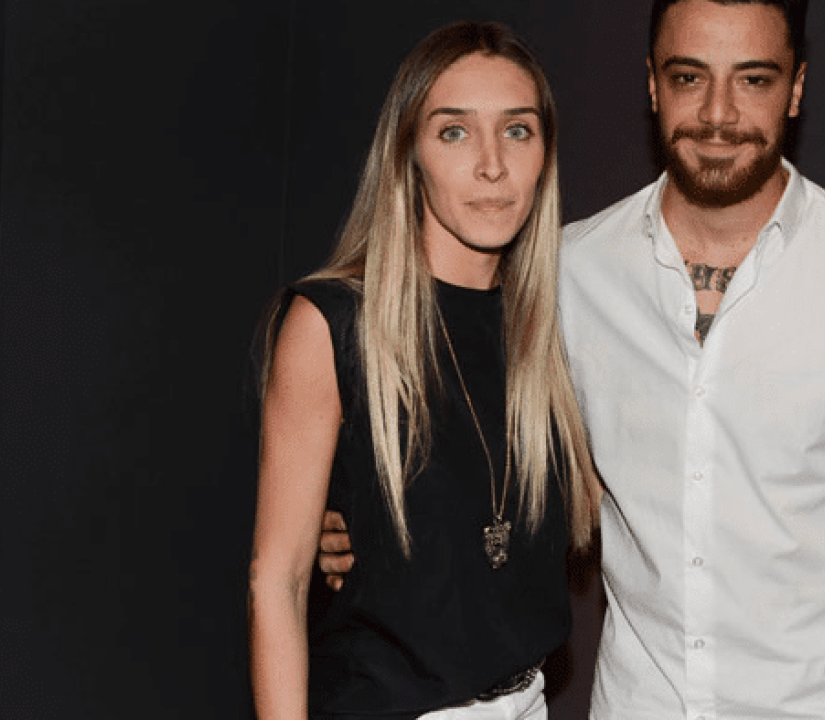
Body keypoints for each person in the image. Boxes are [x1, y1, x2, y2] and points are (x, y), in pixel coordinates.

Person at [321, 2, 825, 718]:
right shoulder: (568, 272)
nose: (717, 114)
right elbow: (491, 458)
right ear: (653, 85)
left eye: (753, 79)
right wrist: (359, 519)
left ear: (797, 88)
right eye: (689, 77)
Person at [248, 21, 601, 720]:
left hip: (528, 701)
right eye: (455, 132)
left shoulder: (550, 328)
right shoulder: (332, 324)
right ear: (408, 153)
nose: (492, 165)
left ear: (545, 154)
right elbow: (276, 582)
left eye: (518, 131)